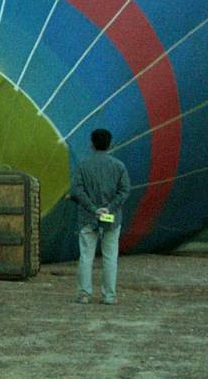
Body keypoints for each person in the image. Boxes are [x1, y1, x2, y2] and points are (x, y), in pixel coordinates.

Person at [68, 128, 131, 305]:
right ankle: (109, 296)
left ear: (92, 144)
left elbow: (78, 191)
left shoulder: (83, 166)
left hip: (88, 217)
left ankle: (84, 294)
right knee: (110, 257)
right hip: (112, 218)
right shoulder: (119, 166)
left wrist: (94, 209)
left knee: (86, 256)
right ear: (110, 144)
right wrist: (108, 208)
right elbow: (125, 190)